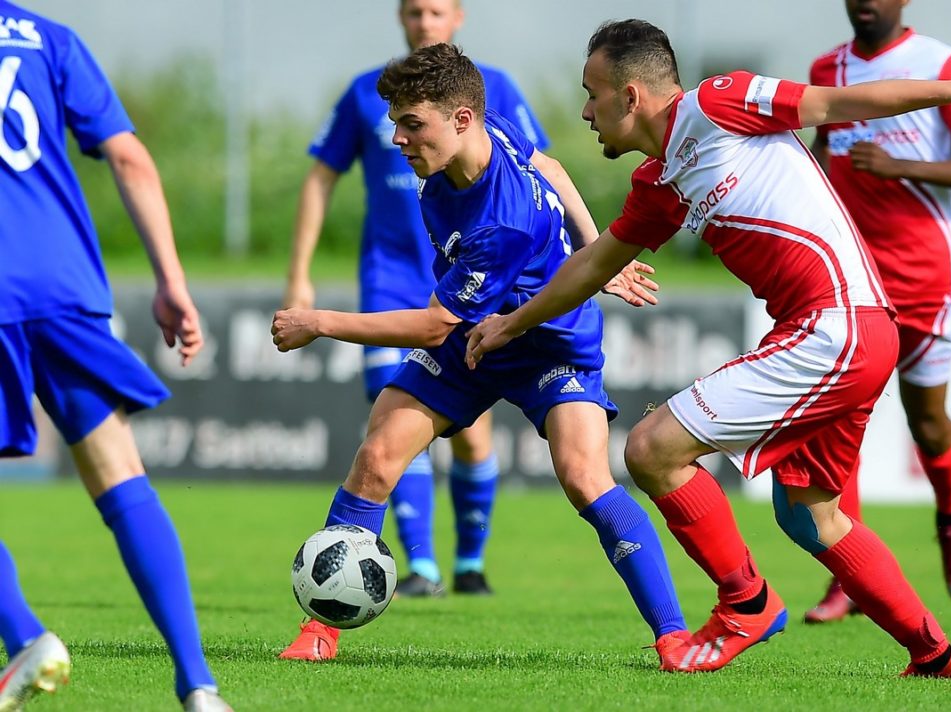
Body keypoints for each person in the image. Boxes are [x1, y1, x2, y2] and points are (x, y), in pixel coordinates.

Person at [466, 19, 951, 678]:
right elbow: (594, 262)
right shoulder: (660, 182)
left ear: (630, 96)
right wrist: (512, 323)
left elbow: (841, 104)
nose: (584, 111)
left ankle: (745, 603)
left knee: (651, 449)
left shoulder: (720, 102)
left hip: (835, 328)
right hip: (849, 334)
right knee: (810, 518)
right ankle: (939, 658)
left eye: (591, 93)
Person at [272, 41, 692, 669]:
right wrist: (599, 254)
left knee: (585, 478)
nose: (398, 139)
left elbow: (432, 326)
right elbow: (553, 168)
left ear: (459, 119)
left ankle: (674, 637)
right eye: (395, 123)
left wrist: (319, 322)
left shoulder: (502, 221)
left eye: (412, 125)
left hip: (549, 339)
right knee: (377, 456)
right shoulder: (484, 131)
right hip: (476, 334)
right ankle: (319, 631)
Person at [281, 0, 548, 629]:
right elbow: (320, 177)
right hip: (390, 274)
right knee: (396, 412)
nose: (424, 23)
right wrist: (299, 273)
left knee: (471, 433)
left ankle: (470, 562)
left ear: (458, 17)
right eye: (413, 12)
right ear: (400, 19)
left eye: (436, 11)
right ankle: (421, 564)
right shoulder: (365, 92)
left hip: (474, 269)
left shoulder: (491, 90)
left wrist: (591, 257)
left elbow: (540, 171)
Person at [0, 3, 231, 711]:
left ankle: (24, 637)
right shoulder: (47, 38)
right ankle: (198, 684)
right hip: (65, 288)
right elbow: (129, 156)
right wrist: (171, 281)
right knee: (120, 475)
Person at [802, 0, 951, 623]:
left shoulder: (942, 65)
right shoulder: (827, 70)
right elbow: (817, 158)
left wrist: (898, 166)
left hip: (923, 279)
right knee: (838, 424)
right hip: (851, 281)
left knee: (929, 422)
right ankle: (850, 576)